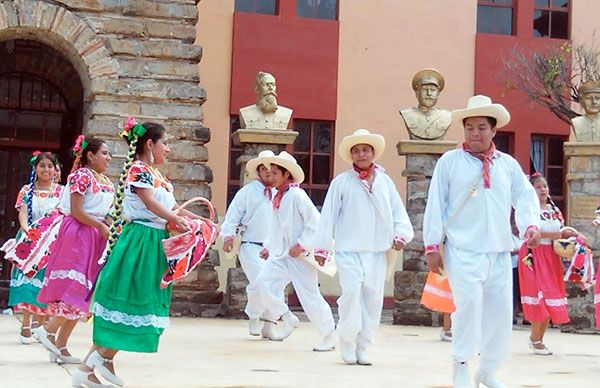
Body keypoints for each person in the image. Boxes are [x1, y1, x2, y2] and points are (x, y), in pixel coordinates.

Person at [423, 95, 540, 388]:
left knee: (500, 314)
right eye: (470, 128)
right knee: (469, 305)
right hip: (463, 250)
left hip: (499, 251)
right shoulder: (450, 162)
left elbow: (525, 196)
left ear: (493, 130)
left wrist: (530, 226)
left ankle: (488, 370)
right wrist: (431, 244)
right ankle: (460, 364)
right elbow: (436, 203)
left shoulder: (508, 165)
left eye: (481, 128)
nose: (475, 133)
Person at [74, 119, 194, 388]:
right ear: (150, 144)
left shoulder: (157, 175)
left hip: (154, 241)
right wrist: (176, 218)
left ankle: (92, 366)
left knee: (138, 304)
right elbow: (149, 203)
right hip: (140, 242)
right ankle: (93, 364)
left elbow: (174, 206)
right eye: (166, 143)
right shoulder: (138, 170)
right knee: (130, 302)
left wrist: (201, 222)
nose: (169, 149)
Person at [314, 128, 413, 365]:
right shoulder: (341, 182)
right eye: (356, 151)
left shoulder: (385, 182)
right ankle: (346, 341)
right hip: (348, 251)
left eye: (366, 150)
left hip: (377, 252)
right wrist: (322, 247)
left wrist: (401, 235)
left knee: (373, 300)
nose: (361, 154)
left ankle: (364, 346)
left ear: (373, 153)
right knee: (351, 296)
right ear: (351, 155)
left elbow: (398, 212)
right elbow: (328, 215)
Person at [34, 137, 114, 366]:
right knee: (76, 289)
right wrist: (100, 226)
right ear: (90, 155)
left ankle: (60, 346)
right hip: (79, 234)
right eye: (105, 153)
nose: (108, 158)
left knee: (86, 293)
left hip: (96, 235)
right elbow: (77, 211)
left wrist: (108, 225)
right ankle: (46, 329)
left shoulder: (106, 181)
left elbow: (104, 211)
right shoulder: (81, 176)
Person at [253, 151, 336, 351]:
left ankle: (330, 334)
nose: (270, 177)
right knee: (263, 283)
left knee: (309, 296)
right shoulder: (277, 196)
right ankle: (287, 317)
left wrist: (302, 245)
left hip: (299, 257)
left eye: (274, 173)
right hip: (281, 255)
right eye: (269, 173)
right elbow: (275, 227)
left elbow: (315, 222)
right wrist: (268, 247)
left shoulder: (297, 195)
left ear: (286, 174)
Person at [518, 173, 579, 355]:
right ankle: (536, 340)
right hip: (533, 255)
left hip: (551, 256)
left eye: (544, 186)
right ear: (531, 190)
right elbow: (528, 234)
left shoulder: (554, 210)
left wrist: (571, 233)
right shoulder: (528, 210)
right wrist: (559, 235)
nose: (543, 189)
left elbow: (561, 229)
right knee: (540, 296)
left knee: (551, 297)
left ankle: (538, 338)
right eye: (538, 187)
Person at [221, 150, 280, 335]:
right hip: (250, 245)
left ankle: (268, 323)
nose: (268, 172)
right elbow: (233, 215)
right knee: (262, 281)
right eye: (264, 169)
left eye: (272, 168)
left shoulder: (283, 192)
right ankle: (256, 315)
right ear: (259, 171)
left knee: (272, 284)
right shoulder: (247, 192)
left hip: (275, 248)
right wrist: (228, 236)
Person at [7, 152, 62, 344]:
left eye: (49, 166)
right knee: (28, 281)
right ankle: (25, 324)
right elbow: (23, 212)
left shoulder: (61, 192)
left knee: (44, 282)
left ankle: (40, 325)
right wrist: (27, 230)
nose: (46, 170)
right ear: (35, 169)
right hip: (30, 239)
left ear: (55, 169)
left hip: (51, 243)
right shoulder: (27, 190)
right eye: (42, 166)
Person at [400, 68, 451, 140]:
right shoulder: (407, 114)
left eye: (433, 90)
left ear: (438, 94)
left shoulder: (447, 116)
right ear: (417, 93)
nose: (429, 93)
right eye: (424, 90)